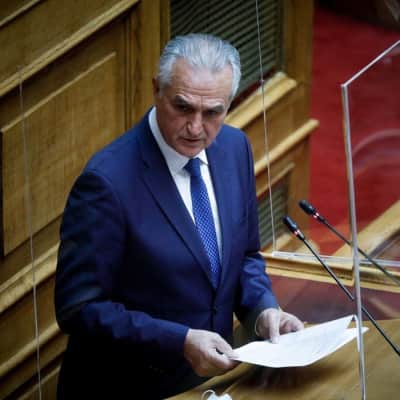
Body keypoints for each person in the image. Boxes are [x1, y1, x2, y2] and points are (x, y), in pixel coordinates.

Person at [54, 33, 303, 399]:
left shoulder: (234, 148)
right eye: (183, 107)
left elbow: (245, 257)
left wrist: (264, 311)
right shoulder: (107, 183)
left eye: (213, 112)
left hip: (214, 382)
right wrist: (179, 341)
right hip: (132, 388)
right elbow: (78, 308)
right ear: (157, 89)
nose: (196, 127)